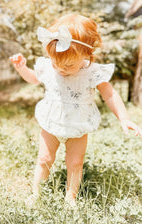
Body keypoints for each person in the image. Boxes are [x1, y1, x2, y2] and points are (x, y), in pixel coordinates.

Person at [9, 14, 142, 206]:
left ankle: (70, 197)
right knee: (44, 158)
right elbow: (34, 78)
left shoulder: (92, 72)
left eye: (69, 64)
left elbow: (110, 94)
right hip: (52, 121)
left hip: (79, 124)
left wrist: (124, 118)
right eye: (56, 62)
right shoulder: (49, 67)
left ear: (86, 54)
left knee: (75, 162)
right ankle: (36, 194)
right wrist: (22, 68)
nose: (61, 68)